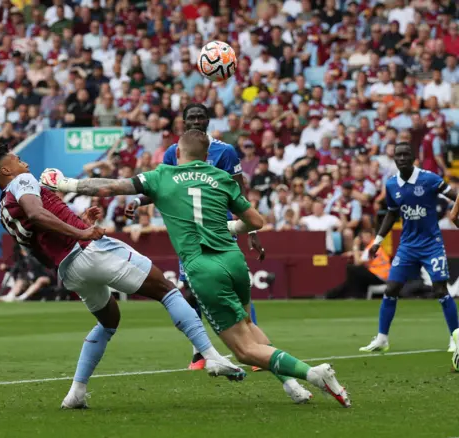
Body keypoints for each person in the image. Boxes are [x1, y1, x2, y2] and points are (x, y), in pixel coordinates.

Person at [44, 129, 351, 408]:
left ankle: (314, 374)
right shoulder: (221, 178)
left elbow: (110, 187)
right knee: (248, 325)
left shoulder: (163, 175)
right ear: (207, 156)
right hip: (234, 261)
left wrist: (67, 184)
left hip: (204, 268)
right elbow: (257, 222)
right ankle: (290, 384)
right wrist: (224, 226)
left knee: (243, 350)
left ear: (178, 152)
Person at [0, 143, 245, 410]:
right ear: (8, 170)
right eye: (19, 160)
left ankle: (76, 393)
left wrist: (78, 222)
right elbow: (37, 212)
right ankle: (211, 356)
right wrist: (81, 233)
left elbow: (39, 244)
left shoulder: (4, 209)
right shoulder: (22, 181)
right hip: (89, 250)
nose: (25, 164)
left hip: (69, 268)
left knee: (109, 321)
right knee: (167, 289)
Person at [125, 103, 265, 371]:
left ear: (208, 120)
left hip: (219, 229)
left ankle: (255, 348)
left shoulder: (224, 151)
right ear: (184, 121)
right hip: (188, 233)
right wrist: (137, 200)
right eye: (192, 117)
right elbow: (158, 186)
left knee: (234, 289)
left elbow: (239, 191)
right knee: (191, 293)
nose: (197, 120)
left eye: (201, 116)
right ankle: (199, 352)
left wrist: (252, 230)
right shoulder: (173, 152)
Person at [360, 143, 459, 362]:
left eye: (406, 154)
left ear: (414, 157)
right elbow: (391, 214)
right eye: (398, 155)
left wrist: (454, 214)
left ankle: (455, 337)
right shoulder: (392, 184)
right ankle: (382, 339)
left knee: (440, 290)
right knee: (392, 287)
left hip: (431, 244)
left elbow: (455, 196)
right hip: (407, 246)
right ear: (394, 159)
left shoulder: (429, 179)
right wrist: (377, 241)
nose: (402, 158)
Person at [325, 230, 390, 299]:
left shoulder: (371, 247)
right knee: (355, 276)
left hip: (380, 277)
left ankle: (352, 295)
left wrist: (355, 246)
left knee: (352, 269)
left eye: (367, 236)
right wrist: (356, 252)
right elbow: (365, 255)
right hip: (384, 276)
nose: (365, 238)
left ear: (372, 236)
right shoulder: (374, 245)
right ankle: (338, 294)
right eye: (364, 236)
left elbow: (357, 263)